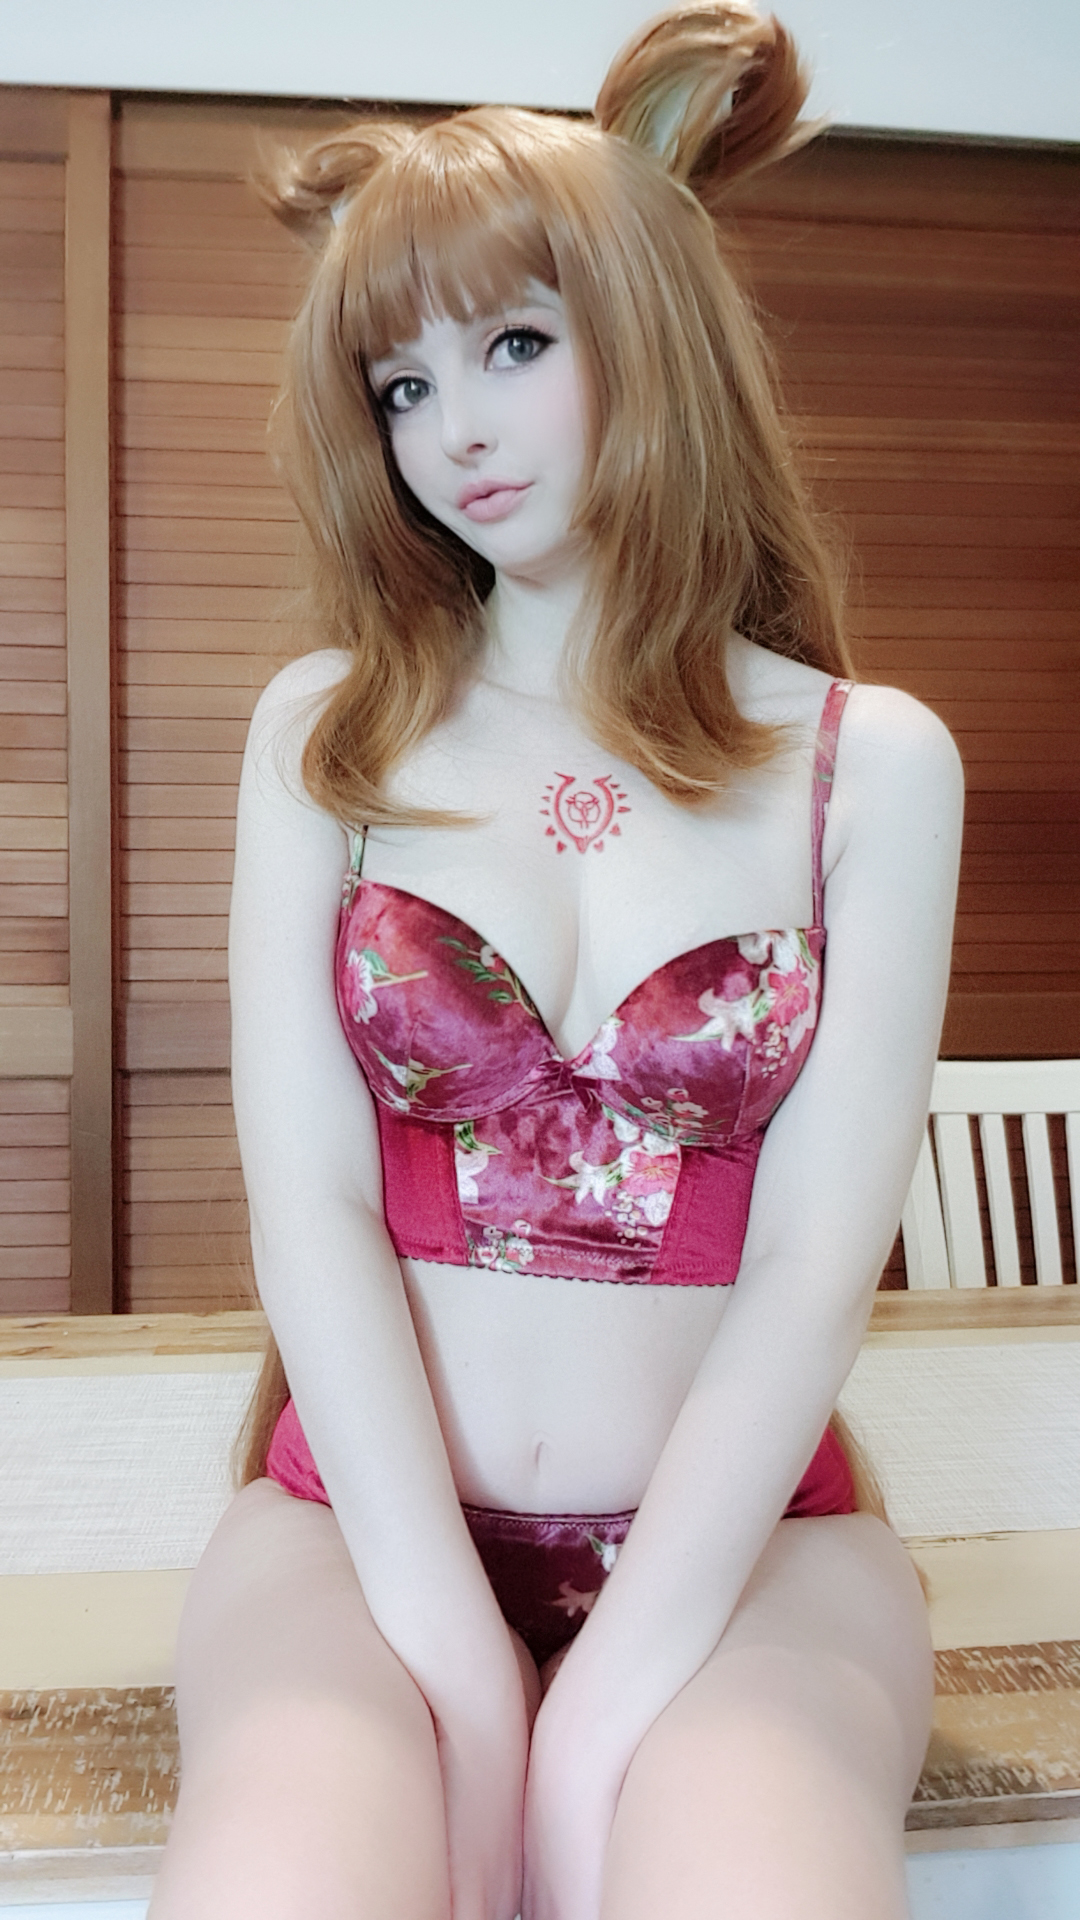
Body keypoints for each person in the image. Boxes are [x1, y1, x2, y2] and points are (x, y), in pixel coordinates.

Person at [149, 6, 963, 1917]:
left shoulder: (869, 765)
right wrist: (459, 1657)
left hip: (747, 1558)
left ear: (650, 334)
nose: (455, 430)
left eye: (515, 344)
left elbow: (815, 1265)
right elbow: (310, 1210)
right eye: (402, 383)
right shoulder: (324, 732)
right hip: (362, 1541)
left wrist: (595, 1716)